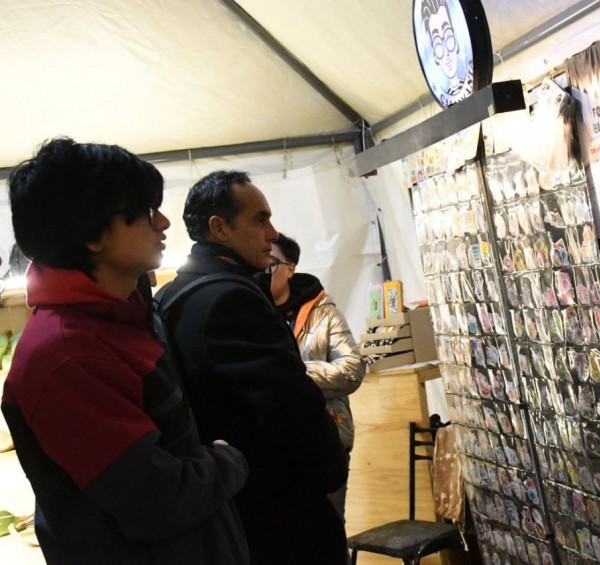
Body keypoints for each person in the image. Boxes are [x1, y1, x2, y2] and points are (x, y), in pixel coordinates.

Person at [1, 138, 249, 564]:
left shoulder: (120, 316)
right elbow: (158, 499)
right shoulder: (66, 356)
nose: (164, 222)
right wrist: (230, 460)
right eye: (148, 212)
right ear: (93, 235)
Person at [157, 171, 348, 564]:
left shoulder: (174, 293)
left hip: (229, 502)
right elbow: (289, 403)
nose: (272, 233)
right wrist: (330, 474)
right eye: (260, 220)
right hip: (274, 507)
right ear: (219, 228)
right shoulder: (229, 298)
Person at [270, 233, 365, 522]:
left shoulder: (323, 313)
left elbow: (351, 369)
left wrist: (292, 373)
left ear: (290, 267)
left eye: (272, 263)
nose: (264, 271)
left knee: (329, 525)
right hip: (274, 446)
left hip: (325, 437)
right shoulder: (252, 313)